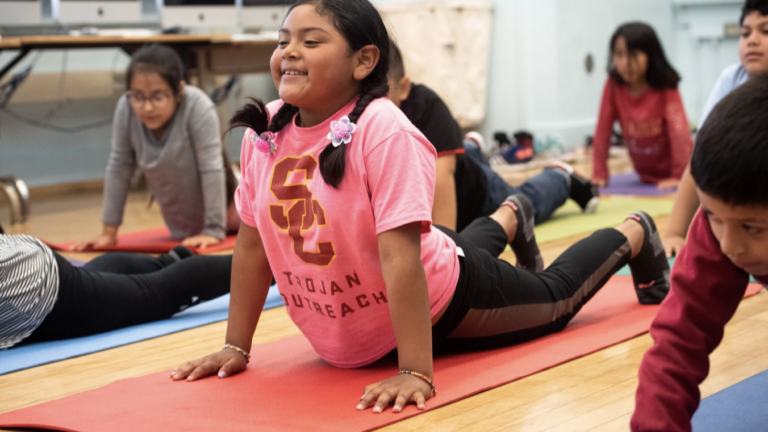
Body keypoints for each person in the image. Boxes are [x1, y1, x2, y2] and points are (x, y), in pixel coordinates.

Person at [171, 0, 670, 415]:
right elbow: (254, 245)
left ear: (363, 61)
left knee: (555, 298)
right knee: (445, 245)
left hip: (440, 302)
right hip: (406, 279)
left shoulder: (383, 129)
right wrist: (236, 345)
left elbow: (399, 257)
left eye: (311, 41)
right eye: (283, 41)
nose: (290, 53)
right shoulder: (267, 130)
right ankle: (510, 216)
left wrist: (413, 370)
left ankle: (633, 232)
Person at [631, 76, 768, 432]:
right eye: (713, 216)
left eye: (752, 228)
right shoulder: (722, 226)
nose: (729, 245)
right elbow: (679, 338)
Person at [386, 39, 599, 231]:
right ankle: (471, 149)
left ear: (403, 88)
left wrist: (444, 254)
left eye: (379, 94)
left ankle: (560, 179)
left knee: (524, 206)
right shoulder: (357, 121)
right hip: (459, 168)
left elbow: (442, 194)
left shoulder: (425, 107)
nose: (368, 103)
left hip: (478, 196)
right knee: (461, 158)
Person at [74, 43, 239, 252]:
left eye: (158, 97)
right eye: (138, 96)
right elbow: (119, 167)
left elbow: (212, 168)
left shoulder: (198, 106)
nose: (147, 107)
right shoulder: (126, 108)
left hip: (233, 207)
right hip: (184, 225)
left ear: (179, 90)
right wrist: (108, 233)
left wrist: (214, 230)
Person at [0, 224, 232, 348]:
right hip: (20, 258)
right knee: (92, 280)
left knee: (155, 294)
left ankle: (264, 266)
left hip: (32, 292)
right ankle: (170, 261)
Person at [662, 0, 768, 258]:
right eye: (745, 33)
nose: (752, 40)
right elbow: (699, 160)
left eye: (765, 31)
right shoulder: (732, 79)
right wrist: (675, 232)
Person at [592, 22, 694, 190]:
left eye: (633, 55)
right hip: (644, 175)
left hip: (683, 172)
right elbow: (603, 128)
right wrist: (599, 173)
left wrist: (679, 175)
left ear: (650, 55)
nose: (626, 63)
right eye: (619, 55)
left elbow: (679, 132)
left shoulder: (664, 85)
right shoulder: (613, 85)